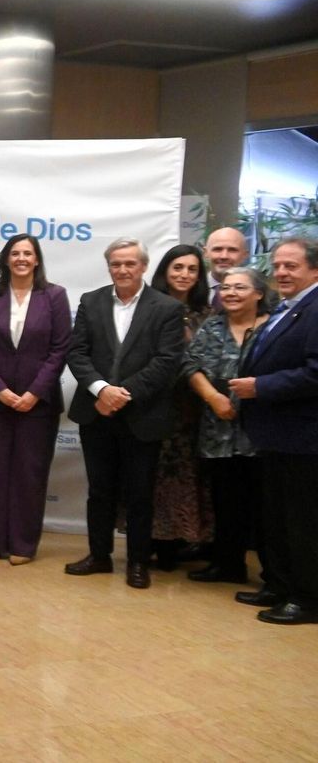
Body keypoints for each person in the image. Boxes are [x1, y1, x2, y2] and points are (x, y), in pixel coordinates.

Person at [65, 238, 185, 590]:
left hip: (142, 415)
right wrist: (101, 390)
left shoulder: (166, 308)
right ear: (109, 266)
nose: (122, 269)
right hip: (96, 411)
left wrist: (123, 394)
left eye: (130, 263)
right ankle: (99, 556)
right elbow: (77, 353)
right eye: (116, 263)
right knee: (99, 491)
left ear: (144, 266)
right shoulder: (91, 301)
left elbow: (166, 362)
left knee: (139, 494)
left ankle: (136, 562)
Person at [230, 237, 318, 625]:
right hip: (276, 435)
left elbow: (315, 372)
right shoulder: (288, 309)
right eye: (278, 265)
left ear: (314, 269)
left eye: (291, 266)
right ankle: (280, 585)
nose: (281, 272)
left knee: (302, 522)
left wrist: (260, 387)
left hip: (304, 437)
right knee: (277, 518)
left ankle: (307, 598)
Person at [0, 235, 70, 565]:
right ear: (6, 259)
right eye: (16, 253)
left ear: (37, 259)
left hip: (37, 404)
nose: (22, 258)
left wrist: (33, 393)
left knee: (29, 475)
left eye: (28, 253)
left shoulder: (54, 296)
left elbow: (60, 350)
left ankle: (23, 545)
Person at [182, 266, 268, 586]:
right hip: (218, 429)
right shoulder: (212, 327)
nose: (230, 293)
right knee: (225, 499)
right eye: (226, 288)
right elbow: (189, 364)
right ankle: (227, 565)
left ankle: (273, 574)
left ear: (259, 293)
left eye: (240, 288)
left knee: (263, 506)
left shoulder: (272, 327)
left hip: (261, 431)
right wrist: (212, 397)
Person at [148, 244, 214, 570]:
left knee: (187, 477)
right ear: (165, 271)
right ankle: (153, 541)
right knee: (152, 478)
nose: (184, 275)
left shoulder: (210, 314)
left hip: (194, 411)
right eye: (177, 268)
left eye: (191, 269)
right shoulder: (148, 308)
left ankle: (181, 542)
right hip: (151, 406)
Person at [203, 227, 250, 311]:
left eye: (232, 250)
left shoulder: (258, 293)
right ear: (206, 253)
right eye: (217, 249)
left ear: (245, 255)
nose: (224, 256)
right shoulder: (190, 288)